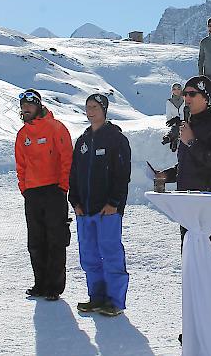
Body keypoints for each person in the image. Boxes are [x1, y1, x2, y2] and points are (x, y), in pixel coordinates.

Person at [157, 75, 211, 316]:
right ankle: (196, 323)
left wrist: (191, 143)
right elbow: (188, 166)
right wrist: (166, 175)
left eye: (191, 94)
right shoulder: (189, 124)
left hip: (209, 208)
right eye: (185, 94)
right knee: (193, 268)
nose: (186, 98)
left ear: (206, 97)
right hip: (188, 207)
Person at [70, 93, 132, 317]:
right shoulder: (83, 141)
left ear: (104, 109)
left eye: (95, 106)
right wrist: (74, 201)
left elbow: (122, 174)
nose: (90, 110)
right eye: (87, 106)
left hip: (108, 210)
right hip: (84, 210)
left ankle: (115, 301)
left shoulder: (116, 139)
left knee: (111, 253)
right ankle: (96, 297)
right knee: (89, 255)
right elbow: (74, 173)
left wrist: (114, 202)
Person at [15, 88, 73, 302]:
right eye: (23, 106)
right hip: (32, 193)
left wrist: (62, 187)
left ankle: (54, 287)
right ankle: (40, 283)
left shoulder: (56, 128)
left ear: (38, 105)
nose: (26, 108)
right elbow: (20, 165)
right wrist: (25, 188)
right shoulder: (22, 134)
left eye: (30, 105)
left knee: (55, 239)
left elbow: (67, 157)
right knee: (36, 241)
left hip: (54, 191)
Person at [163, 82, 185, 152]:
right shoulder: (169, 102)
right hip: (176, 124)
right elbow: (168, 116)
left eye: (178, 89)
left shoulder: (186, 100)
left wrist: (180, 120)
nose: (176, 91)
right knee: (175, 128)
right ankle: (170, 138)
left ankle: (172, 138)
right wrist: (173, 120)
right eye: (174, 89)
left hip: (186, 122)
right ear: (172, 91)